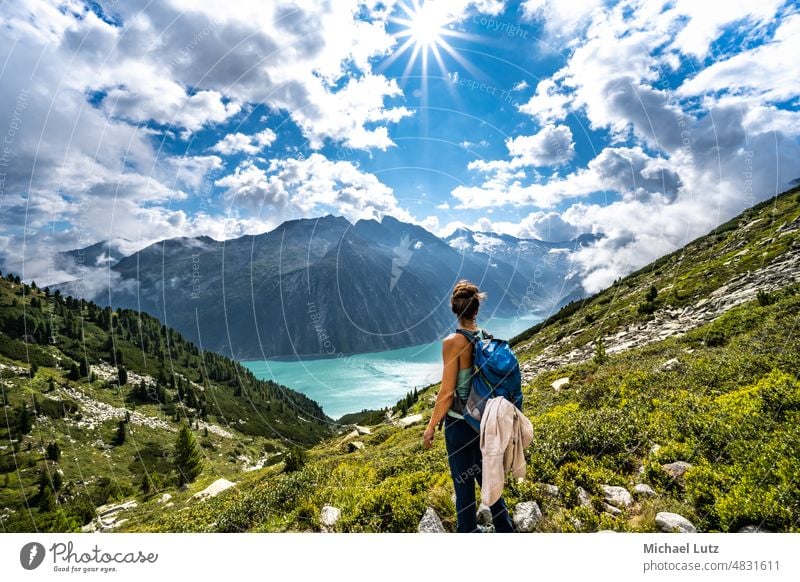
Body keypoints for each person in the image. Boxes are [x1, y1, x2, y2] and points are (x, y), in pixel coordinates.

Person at [422, 280, 515, 533]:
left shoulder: (453, 342)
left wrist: (431, 427)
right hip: (485, 424)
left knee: (463, 491)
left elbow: (446, 392)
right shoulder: (485, 337)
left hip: (460, 425)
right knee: (488, 479)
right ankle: (507, 530)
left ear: (455, 309)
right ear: (476, 309)